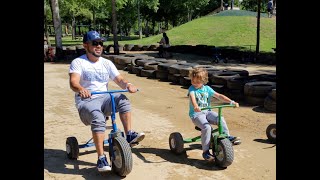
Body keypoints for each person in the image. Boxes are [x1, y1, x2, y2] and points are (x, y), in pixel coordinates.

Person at [69, 30, 145, 172]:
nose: (99, 46)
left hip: (104, 98)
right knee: (98, 118)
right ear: (86, 45)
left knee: (123, 99)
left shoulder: (107, 63)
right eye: (95, 43)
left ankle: (129, 134)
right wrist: (81, 89)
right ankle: (101, 158)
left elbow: (119, 79)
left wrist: (128, 85)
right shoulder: (78, 62)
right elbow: (73, 82)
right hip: (86, 101)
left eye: (101, 43)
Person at [188, 68, 241, 161]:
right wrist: (196, 106)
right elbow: (192, 98)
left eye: (197, 81)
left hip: (207, 111)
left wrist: (231, 102)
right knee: (207, 127)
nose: (194, 83)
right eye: (193, 80)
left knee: (220, 118)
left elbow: (219, 96)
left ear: (203, 81)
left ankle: (226, 137)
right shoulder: (191, 89)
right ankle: (206, 152)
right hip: (196, 114)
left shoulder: (207, 89)